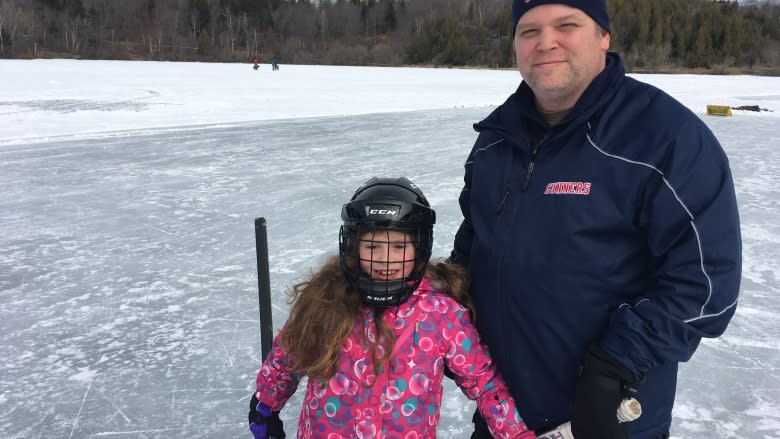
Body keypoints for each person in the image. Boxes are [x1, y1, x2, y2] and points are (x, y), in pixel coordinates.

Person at [449, 1, 742, 439]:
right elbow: (472, 250)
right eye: (529, 31)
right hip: (501, 415)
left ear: (603, 36)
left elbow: (707, 283)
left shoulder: (665, 136)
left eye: (566, 25)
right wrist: (444, 318)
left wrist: (616, 365)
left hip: (605, 420)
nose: (545, 42)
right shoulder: (496, 141)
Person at [248, 177, 537, 439]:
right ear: (353, 246)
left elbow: (484, 382)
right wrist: (265, 405)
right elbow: (288, 354)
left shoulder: (440, 314)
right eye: (372, 247)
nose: (386, 259)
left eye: (399, 247)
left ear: (419, 249)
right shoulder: (327, 300)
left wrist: (515, 432)